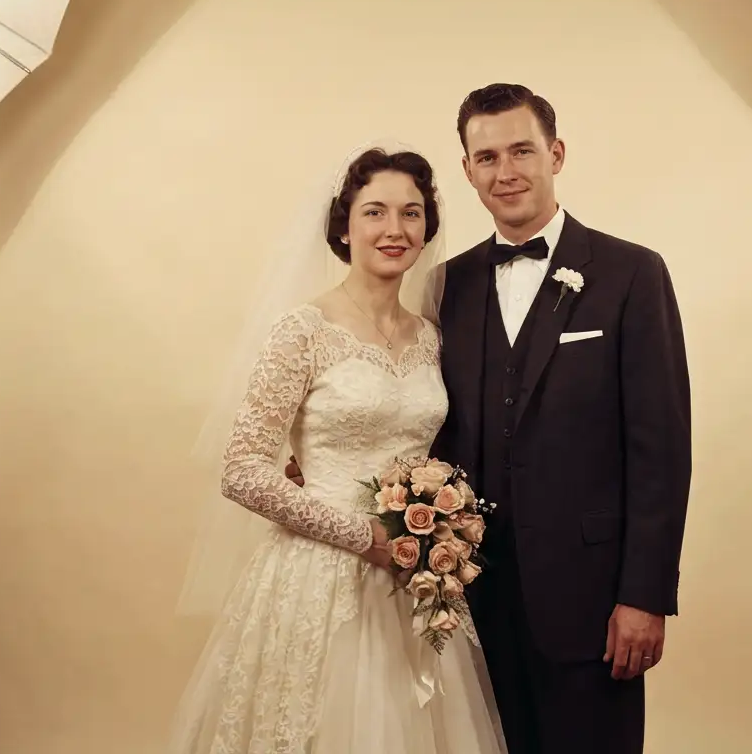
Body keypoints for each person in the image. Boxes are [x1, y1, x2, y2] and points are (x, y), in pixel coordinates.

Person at [286, 84, 692, 753]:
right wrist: (326, 462)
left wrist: (644, 595)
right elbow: (422, 419)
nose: (506, 172)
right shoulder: (447, 284)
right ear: (469, 171)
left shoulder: (631, 275)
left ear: (555, 154)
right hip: (465, 599)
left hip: (592, 600)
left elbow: (662, 450)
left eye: (522, 151)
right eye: (486, 157)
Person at [168, 144, 507, 754]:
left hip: (415, 578)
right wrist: (362, 537)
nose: (394, 228)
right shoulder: (303, 330)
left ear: (427, 227)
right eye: (374, 212)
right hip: (316, 578)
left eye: (410, 212)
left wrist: (438, 529)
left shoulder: (433, 338)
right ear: (344, 227)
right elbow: (242, 469)